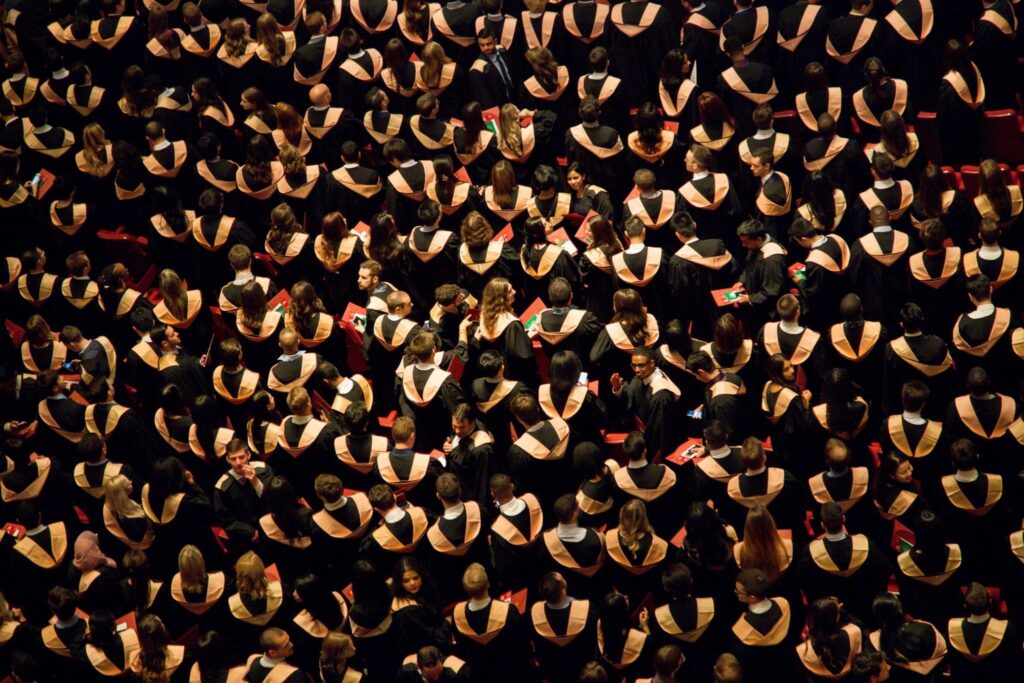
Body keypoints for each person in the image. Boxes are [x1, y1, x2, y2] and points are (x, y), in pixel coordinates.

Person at [450, 563, 532, 683]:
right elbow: (521, 643)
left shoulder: (458, 614)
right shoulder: (507, 611)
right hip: (510, 671)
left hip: (480, 673)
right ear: (488, 584)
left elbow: (462, 647)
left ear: (466, 589)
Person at [527, 571, 598, 683]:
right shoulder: (587, 611)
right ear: (563, 590)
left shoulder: (534, 615)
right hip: (583, 670)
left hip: (554, 672)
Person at [730, 568, 796, 683]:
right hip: (786, 666)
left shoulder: (743, 631)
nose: (736, 593)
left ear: (752, 598)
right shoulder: (783, 604)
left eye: (738, 592)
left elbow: (744, 663)